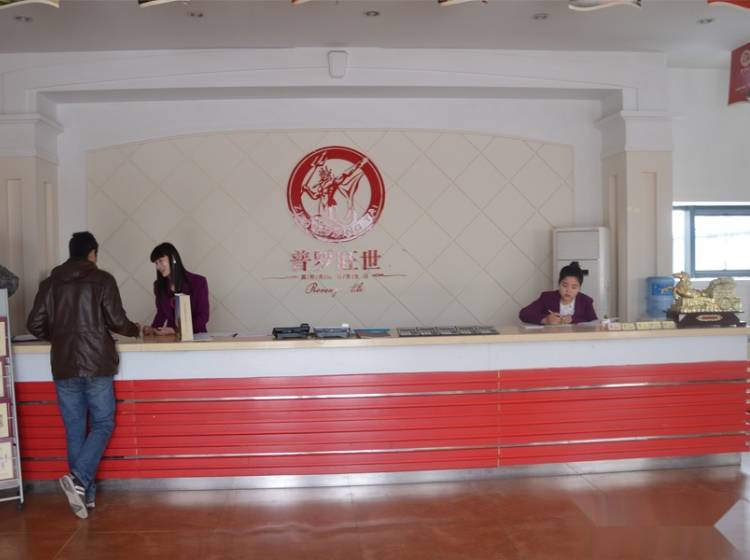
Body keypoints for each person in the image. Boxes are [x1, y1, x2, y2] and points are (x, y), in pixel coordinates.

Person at [27, 231, 141, 519]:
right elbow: (117, 320)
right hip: (97, 364)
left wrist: (60, 336)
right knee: (103, 423)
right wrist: (137, 329)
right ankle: (79, 479)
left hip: (64, 365)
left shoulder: (51, 283)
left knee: (75, 429)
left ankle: (84, 496)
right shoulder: (102, 280)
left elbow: (34, 324)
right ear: (93, 253)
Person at [143, 242, 209, 335]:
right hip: (172, 338)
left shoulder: (198, 282)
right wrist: (153, 329)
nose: (158, 267)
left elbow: (203, 317)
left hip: (196, 336)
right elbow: (161, 314)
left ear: (173, 258)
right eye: (156, 263)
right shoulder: (158, 286)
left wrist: (176, 330)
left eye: (161, 261)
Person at [519, 261, 598, 325]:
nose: (568, 290)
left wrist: (573, 319)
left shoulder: (586, 301)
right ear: (559, 284)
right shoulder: (547, 297)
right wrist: (546, 319)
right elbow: (524, 314)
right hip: (551, 338)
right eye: (564, 285)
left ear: (579, 288)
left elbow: (594, 322)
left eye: (574, 287)